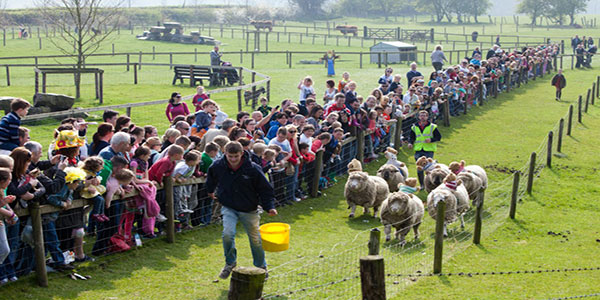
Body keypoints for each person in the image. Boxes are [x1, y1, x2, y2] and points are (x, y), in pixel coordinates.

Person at [206, 141, 277, 279]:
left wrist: (270, 207)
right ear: (225, 153)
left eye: (236, 156)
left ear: (242, 154)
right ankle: (230, 263)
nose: (233, 159)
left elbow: (265, 189)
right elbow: (211, 178)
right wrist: (210, 190)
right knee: (227, 234)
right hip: (229, 206)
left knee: (255, 239)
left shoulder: (252, 168)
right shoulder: (218, 166)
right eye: (230, 156)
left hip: (249, 208)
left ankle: (261, 267)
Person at [407, 110, 442, 189]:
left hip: (429, 150)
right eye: (421, 115)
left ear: (427, 117)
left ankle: (431, 182)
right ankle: (422, 184)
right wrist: (410, 143)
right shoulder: (414, 127)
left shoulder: (432, 127)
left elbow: (439, 137)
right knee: (420, 168)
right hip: (418, 149)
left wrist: (431, 140)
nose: (422, 117)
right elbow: (411, 137)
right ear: (419, 117)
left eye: (424, 115)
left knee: (429, 168)